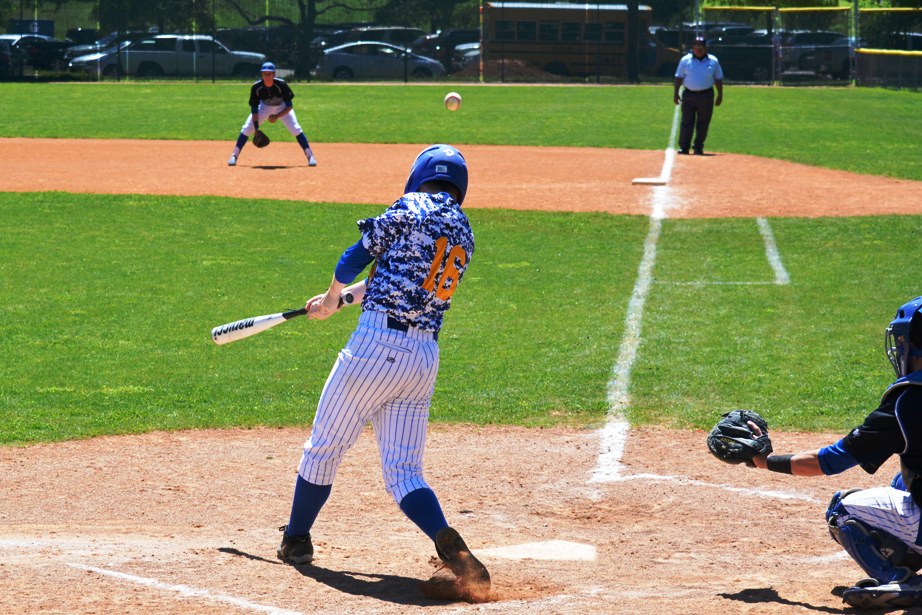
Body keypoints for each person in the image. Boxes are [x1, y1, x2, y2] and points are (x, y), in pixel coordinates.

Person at [276, 144, 490, 600]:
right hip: (422, 358)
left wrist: (333, 291)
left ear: (419, 175)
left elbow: (357, 255)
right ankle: (449, 544)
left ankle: (296, 539)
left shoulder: (409, 206)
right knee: (405, 471)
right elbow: (389, 279)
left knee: (322, 450)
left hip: (376, 349)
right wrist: (337, 300)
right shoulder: (463, 230)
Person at [745, 296, 922, 609]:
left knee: (843, 509)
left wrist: (763, 461)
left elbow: (828, 461)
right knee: (901, 482)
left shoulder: (907, 402)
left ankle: (901, 582)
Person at [228, 61, 317, 168]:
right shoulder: (256, 87)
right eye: (265, 73)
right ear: (262, 74)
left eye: (269, 73)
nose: (267, 76)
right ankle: (234, 155)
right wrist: (256, 129)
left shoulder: (281, 85)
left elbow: (289, 106)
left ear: (274, 74)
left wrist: (277, 116)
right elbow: (254, 109)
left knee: (296, 129)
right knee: (247, 128)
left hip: (282, 107)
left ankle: (310, 156)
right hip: (264, 107)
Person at [673, 36, 724, 155]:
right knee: (686, 121)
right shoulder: (685, 60)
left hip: (706, 95)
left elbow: (718, 79)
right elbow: (678, 77)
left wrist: (720, 94)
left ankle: (698, 146)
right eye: (696, 45)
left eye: (701, 45)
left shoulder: (713, 61)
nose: (698, 48)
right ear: (692, 47)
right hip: (689, 95)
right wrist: (675, 93)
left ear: (706, 47)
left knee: (703, 122)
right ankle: (684, 147)